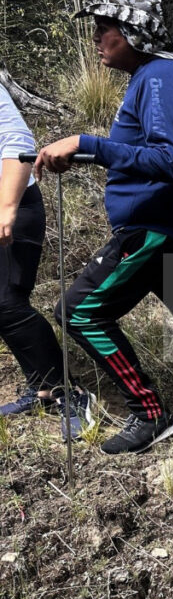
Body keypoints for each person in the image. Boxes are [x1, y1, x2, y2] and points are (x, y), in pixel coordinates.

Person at [33, 0, 173, 454]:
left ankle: (149, 413)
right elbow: (151, 154)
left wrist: (88, 143)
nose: (96, 37)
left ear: (133, 31)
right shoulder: (164, 76)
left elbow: (171, 159)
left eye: (104, 28)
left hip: (157, 229)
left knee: (79, 311)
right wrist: (86, 154)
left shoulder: (161, 78)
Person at [0, 85, 96, 439]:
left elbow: (16, 143)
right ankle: (41, 388)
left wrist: (6, 208)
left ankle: (70, 393)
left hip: (12, 203)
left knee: (7, 301)